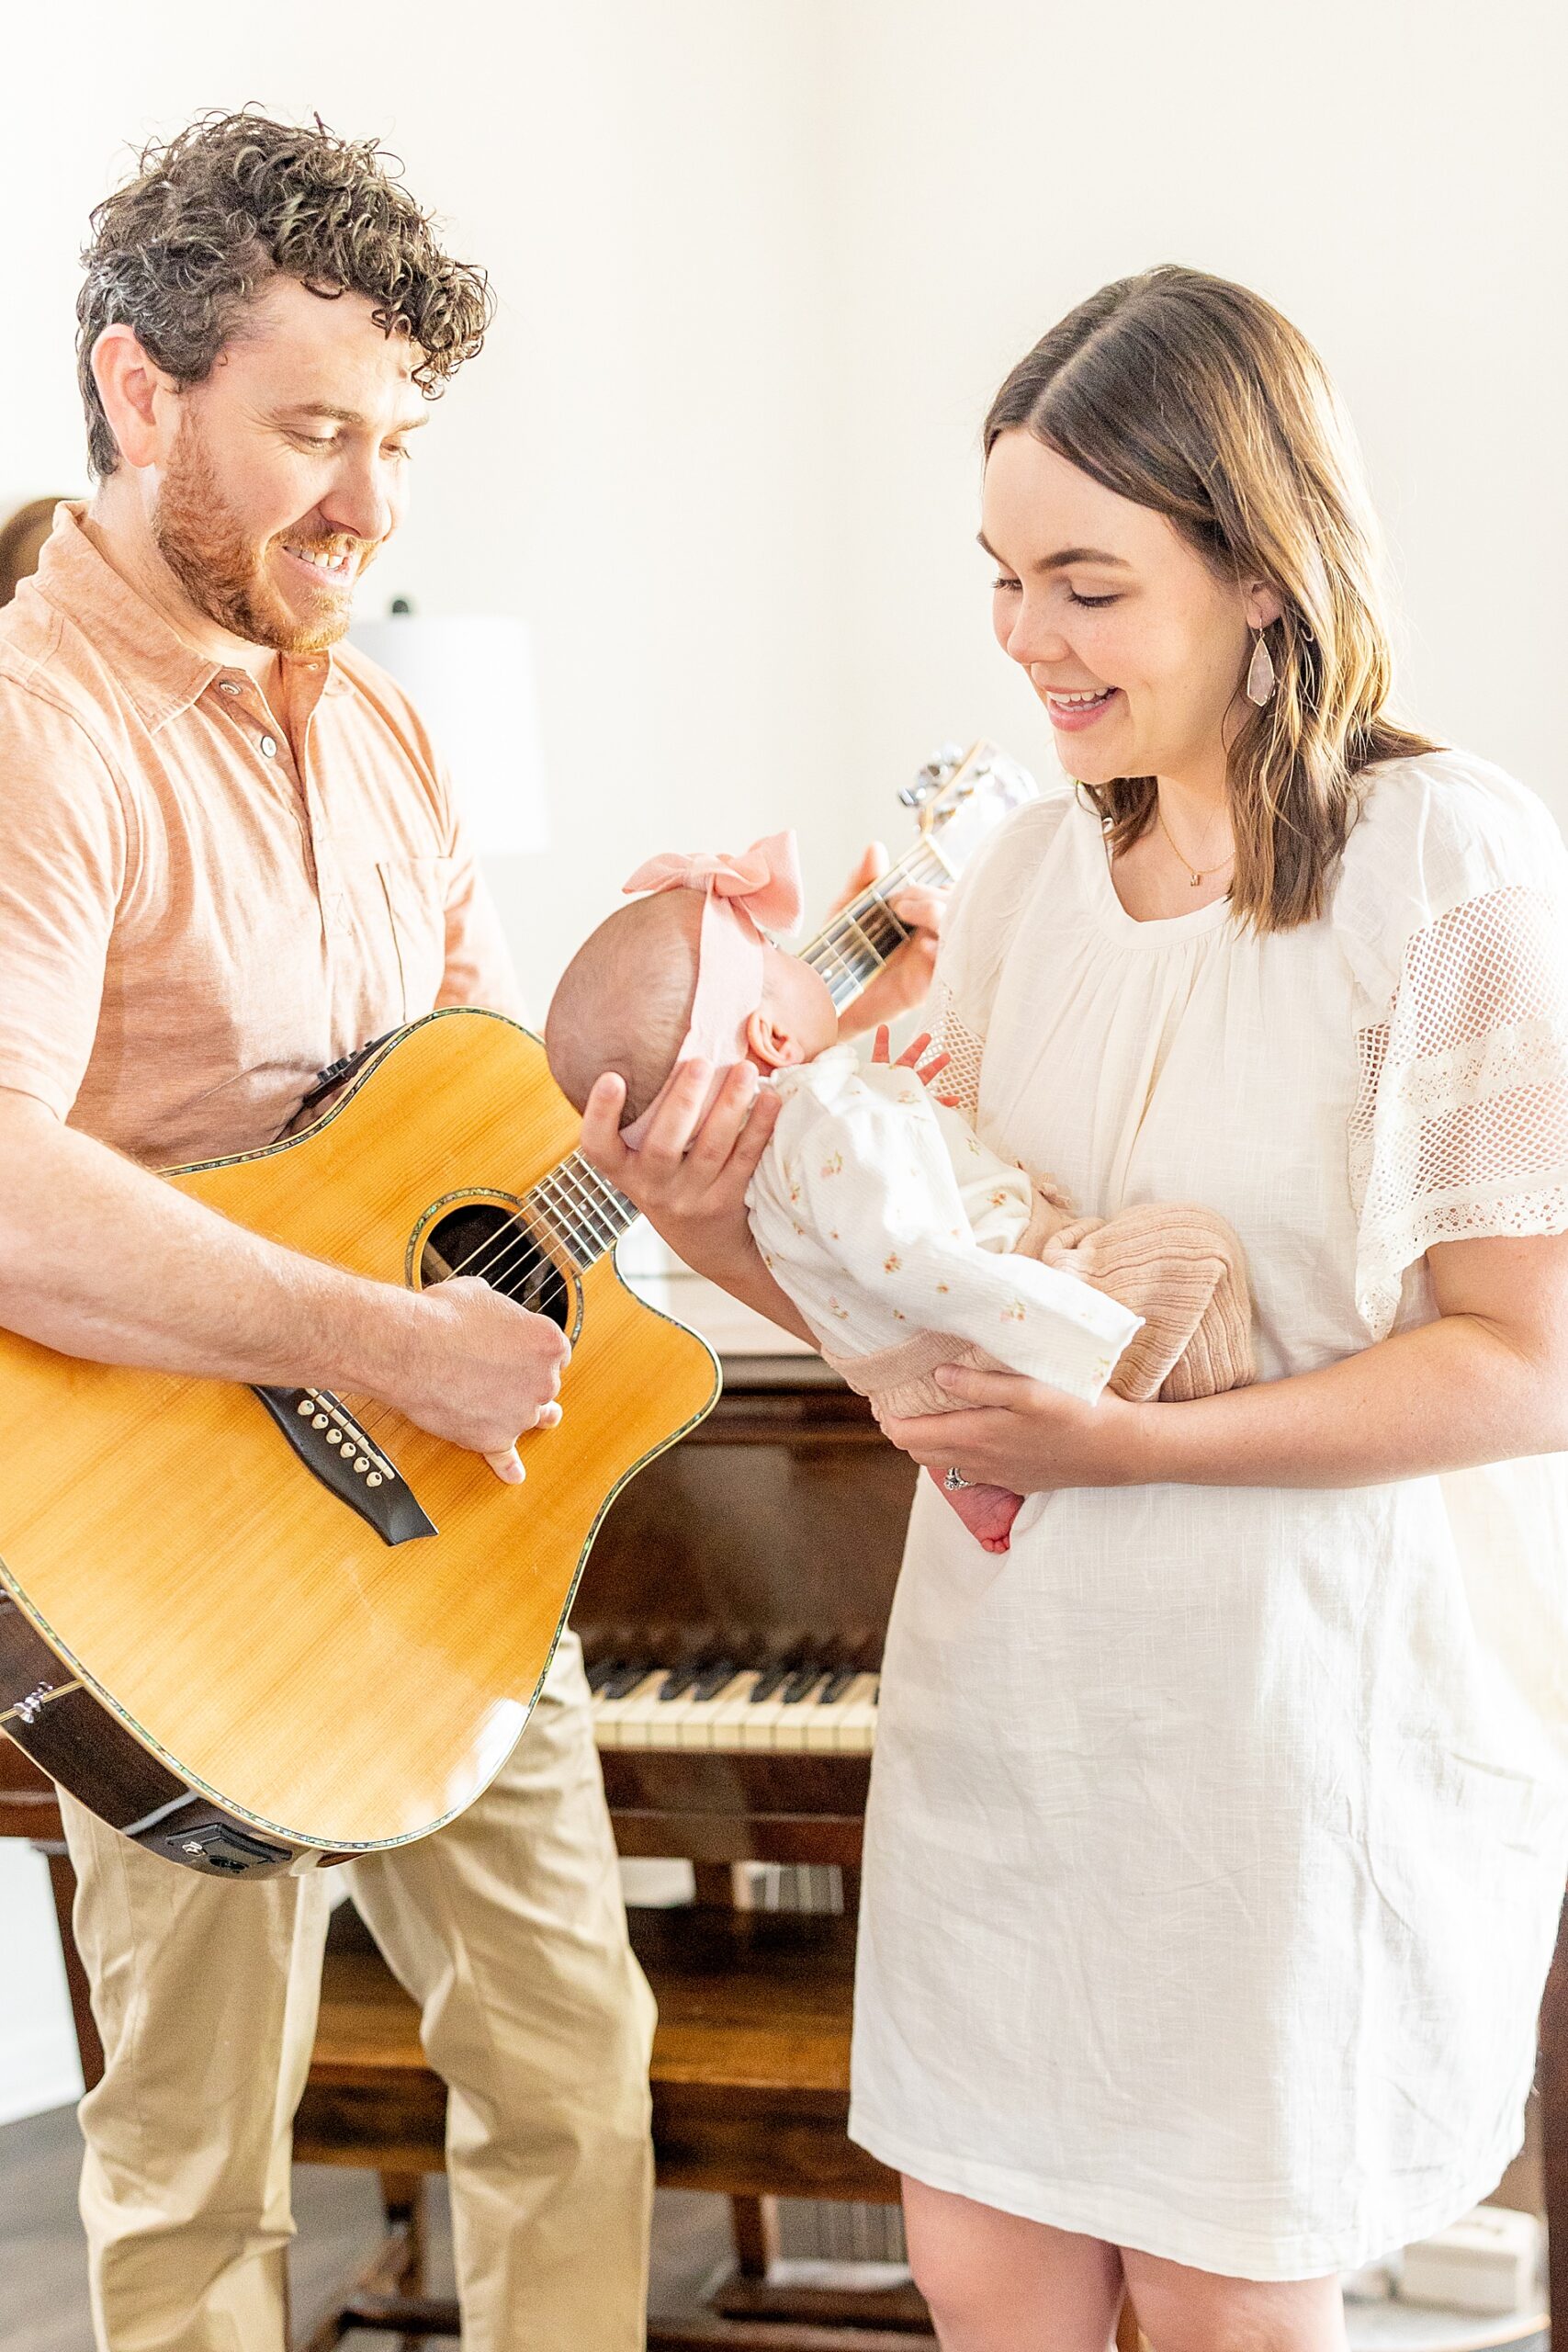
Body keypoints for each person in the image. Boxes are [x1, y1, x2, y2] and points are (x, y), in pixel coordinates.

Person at [0, 111, 945, 2351]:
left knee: (562, 2067)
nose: (373, 500)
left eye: (399, 438)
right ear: (140, 394)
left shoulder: (399, 736)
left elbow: (476, 1118)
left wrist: (676, 991)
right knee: (195, 2171)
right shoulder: (39, 731)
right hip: (180, 1575)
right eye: (314, 430)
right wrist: (383, 1340)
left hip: (451, 1544)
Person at [584, 267, 1568, 2352]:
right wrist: (718, 1210)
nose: (1025, 637)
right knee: (989, 2268)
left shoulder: (1442, 863)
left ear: (1260, 573)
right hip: (1023, 1709)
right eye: (1000, 578)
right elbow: (933, 1318)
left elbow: (1521, 1357)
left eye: (1085, 584)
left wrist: (1138, 1446)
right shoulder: (1017, 876)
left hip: (1287, 1725)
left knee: (1221, 2289)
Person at [546, 831, 1254, 1551]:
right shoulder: (831, 1118)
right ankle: (1213, 1409)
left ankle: (971, 1487)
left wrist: (905, 1110)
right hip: (1006, 1318)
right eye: (779, 958)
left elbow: (860, 1259)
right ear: (771, 1036)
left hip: (910, 1391)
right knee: (1196, 1250)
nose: (804, 961)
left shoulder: (767, 1175)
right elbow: (917, 1254)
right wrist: (1059, 1327)